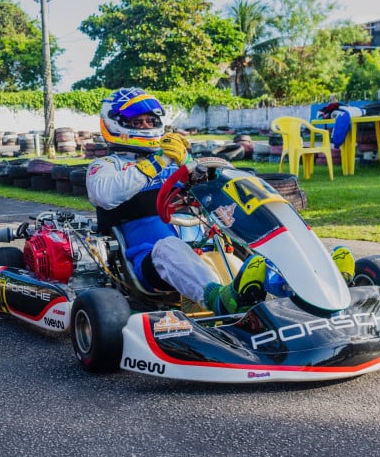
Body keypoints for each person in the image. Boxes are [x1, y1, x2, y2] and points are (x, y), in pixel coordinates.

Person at [85, 87, 267, 314]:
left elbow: (209, 190)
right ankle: (219, 300)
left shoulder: (174, 163)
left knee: (250, 229)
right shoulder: (106, 166)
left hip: (205, 245)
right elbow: (104, 195)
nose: (146, 127)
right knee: (169, 247)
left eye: (150, 121)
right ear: (114, 124)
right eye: (138, 122)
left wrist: (189, 163)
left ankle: (286, 287)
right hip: (152, 259)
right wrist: (158, 162)